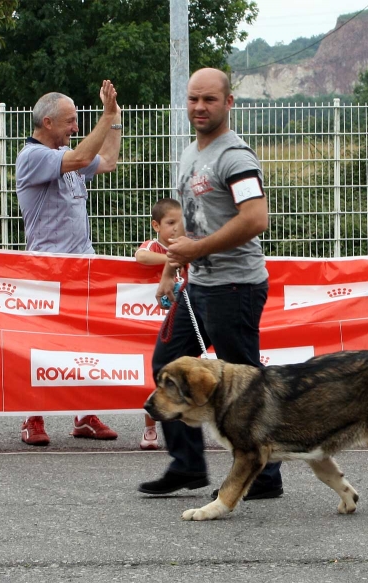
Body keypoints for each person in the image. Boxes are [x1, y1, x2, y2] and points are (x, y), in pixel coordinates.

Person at [138, 68, 283, 500]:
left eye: (209, 100)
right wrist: (170, 269)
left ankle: (264, 475)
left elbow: (256, 220)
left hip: (235, 286)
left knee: (246, 385)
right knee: (167, 366)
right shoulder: (189, 154)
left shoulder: (235, 157)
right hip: (197, 286)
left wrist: (197, 253)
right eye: (193, 99)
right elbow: (187, 230)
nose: (199, 107)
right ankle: (187, 466)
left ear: (228, 103)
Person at [15, 81, 122, 446]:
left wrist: (115, 120)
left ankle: (84, 416)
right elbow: (78, 158)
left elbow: (106, 160)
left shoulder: (66, 155)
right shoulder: (34, 157)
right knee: (39, 346)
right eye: (70, 121)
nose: (75, 127)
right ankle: (31, 418)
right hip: (46, 271)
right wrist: (105, 118)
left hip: (83, 268)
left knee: (87, 345)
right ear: (47, 123)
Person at [135, 197, 186, 450]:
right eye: (170, 222)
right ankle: (150, 427)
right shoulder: (154, 246)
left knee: (183, 376)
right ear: (156, 226)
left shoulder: (189, 246)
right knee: (155, 377)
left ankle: (184, 429)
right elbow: (140, 256)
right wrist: (171, 258)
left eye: (181, 222)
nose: (177, 228)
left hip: (182, 321)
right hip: (150, 322)